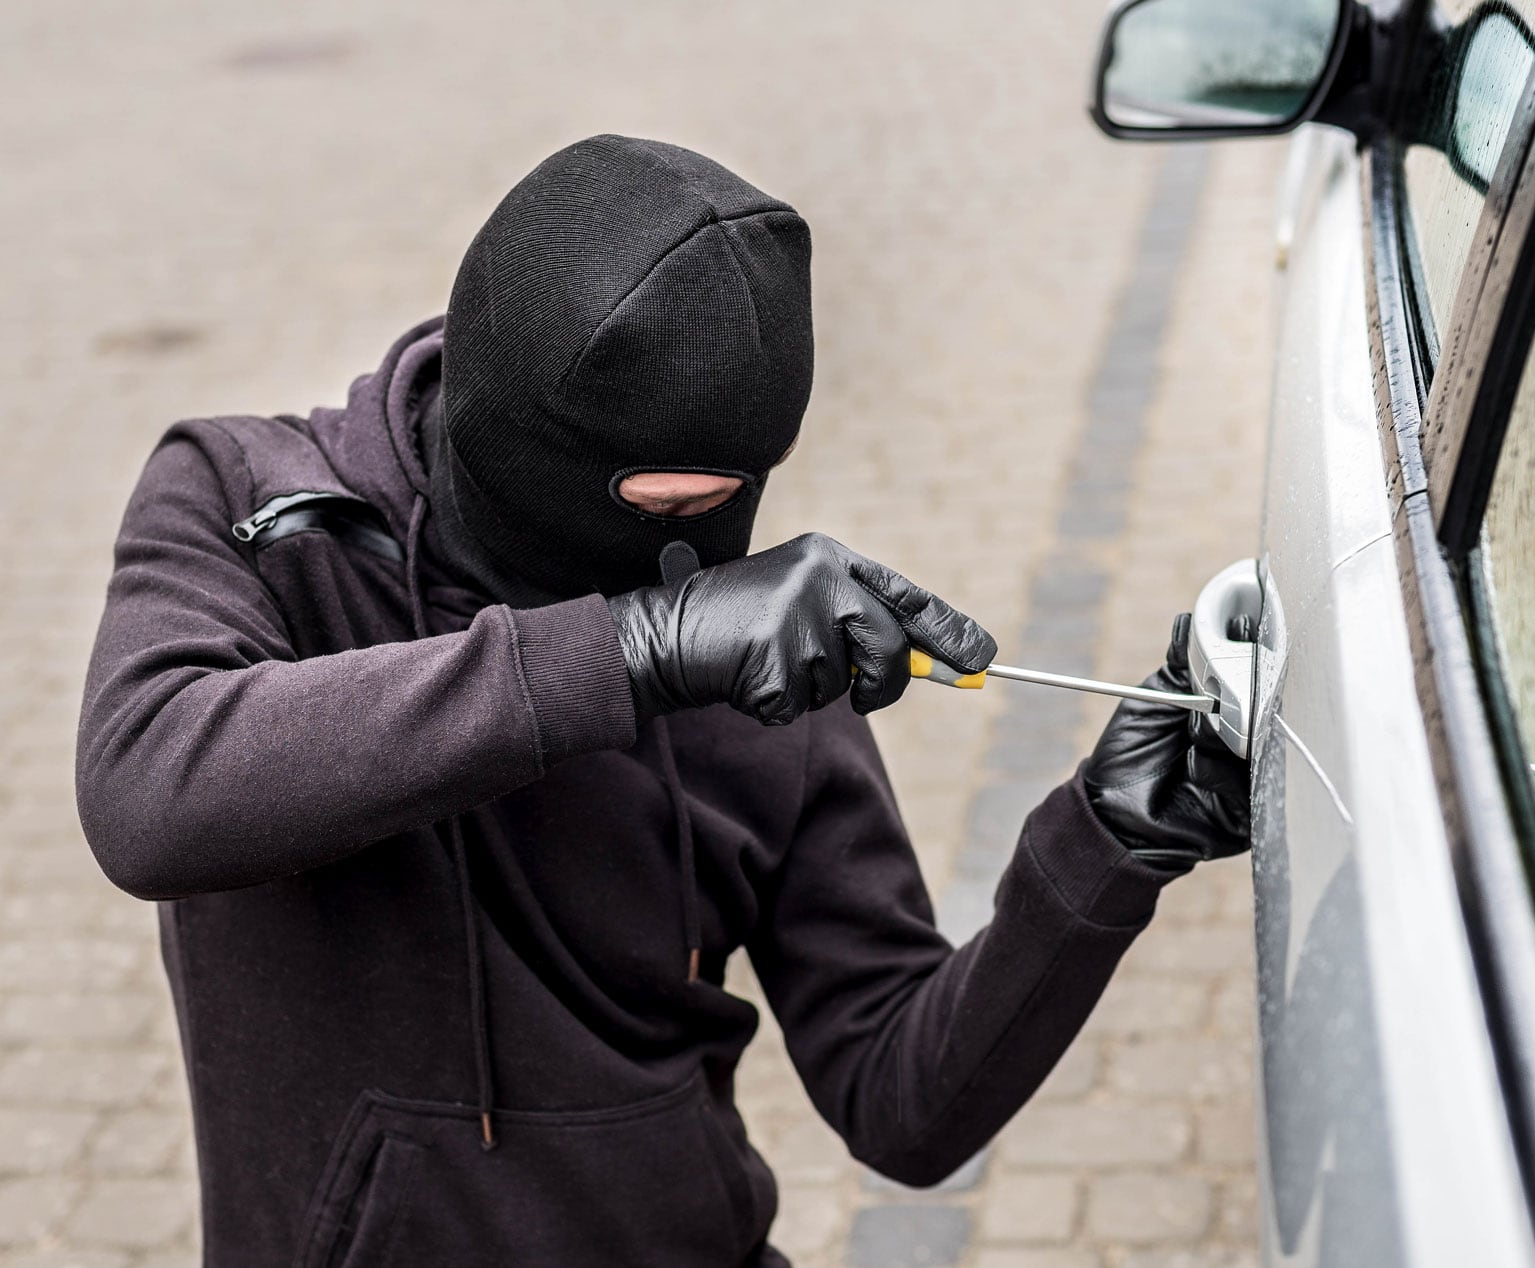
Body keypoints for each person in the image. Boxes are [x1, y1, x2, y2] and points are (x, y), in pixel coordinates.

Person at [74, 135, 1250, 1267]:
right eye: (655, 499)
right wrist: (630, 650)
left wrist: (1104, 845)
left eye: (727, 497)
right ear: (511, 428)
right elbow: (151, 794)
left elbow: (902, 1100)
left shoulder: (761, 655)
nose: (684, 551)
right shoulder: (260, 512)